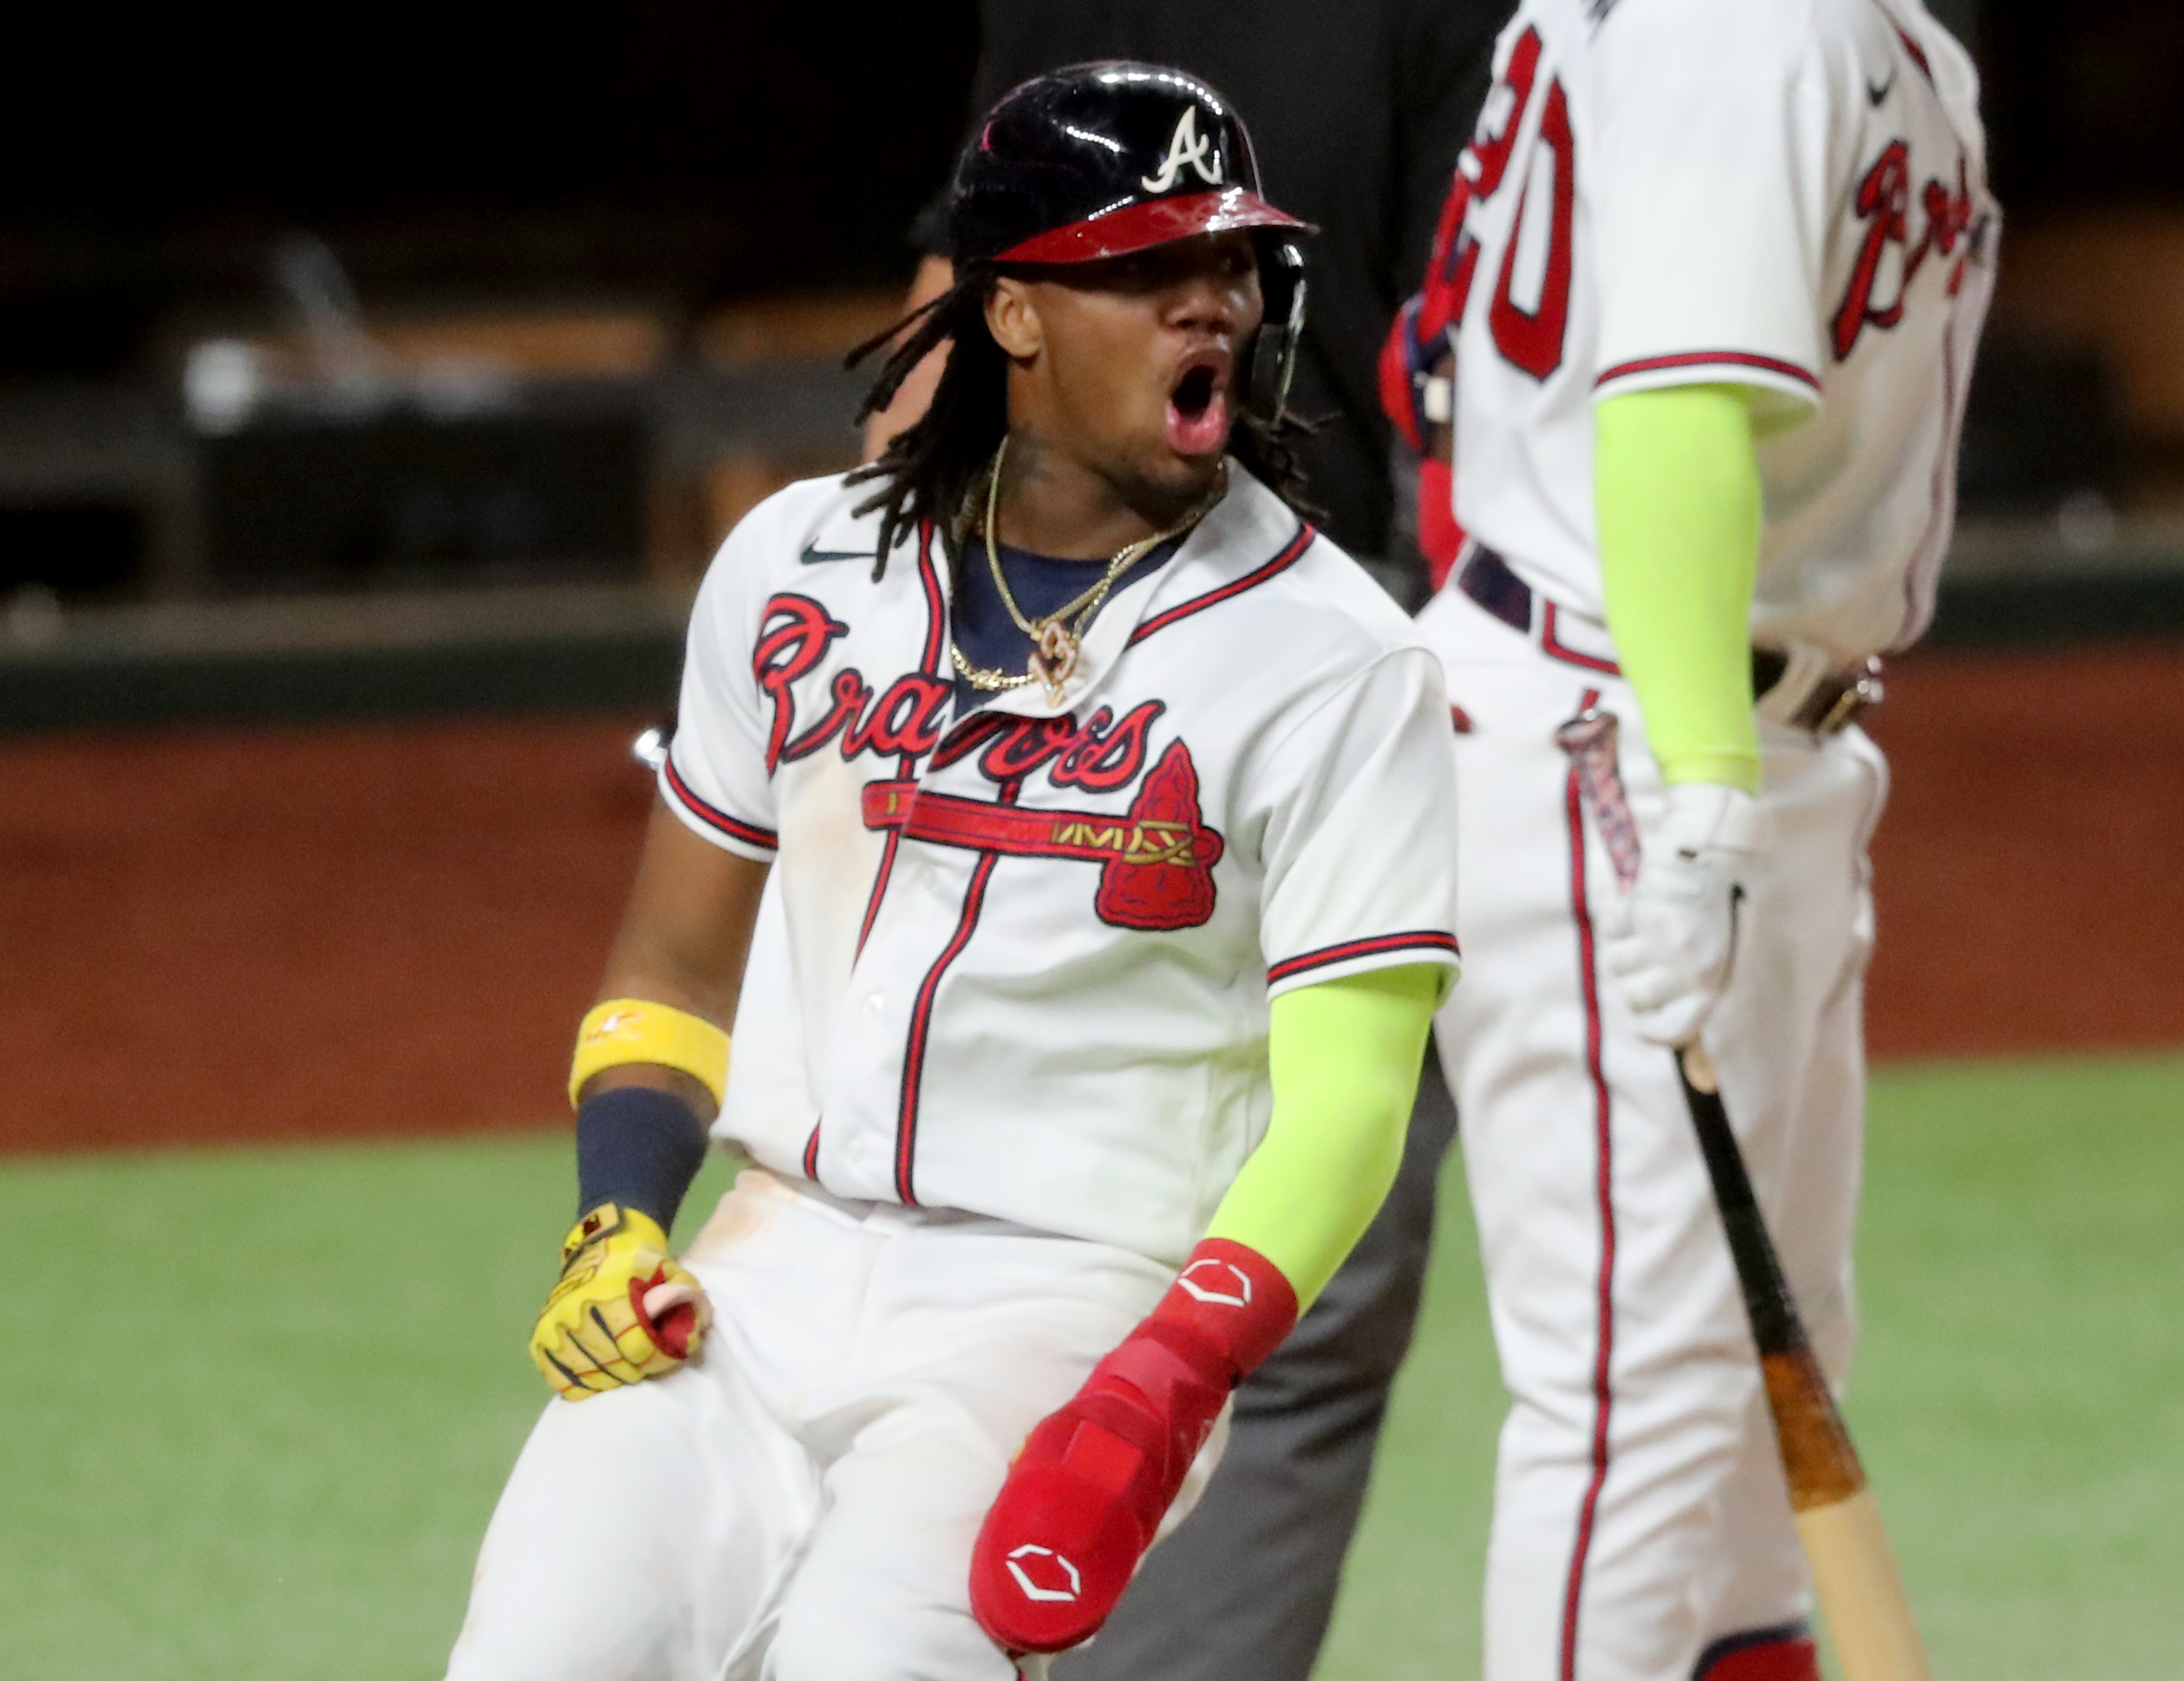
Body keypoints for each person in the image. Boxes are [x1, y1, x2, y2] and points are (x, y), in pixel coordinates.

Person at [443, 63, 1461, 1680]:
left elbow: (1351, 1106)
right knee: (537, 1651)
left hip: (1061, 1307)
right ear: (1012, 313)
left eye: (1231, 264)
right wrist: (615, 1226)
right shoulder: (800, 570)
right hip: (759, 1270)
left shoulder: (1336, 661)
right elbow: (676, 967)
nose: (1210, 304)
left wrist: (1168, 1376)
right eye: (1146, 266)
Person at [859, 11, 1507, 1676]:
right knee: (1253, 1279)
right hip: (1233, 664)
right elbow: (1497, 357)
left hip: (1254, 665)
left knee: (1022, 1227)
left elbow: (955, 303)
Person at [1382, 2, 1997, 1677]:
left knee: (1760, 1377)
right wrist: (1703, 791)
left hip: (1697, 716)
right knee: (1644, 1398)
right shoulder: (1747, 24)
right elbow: (1669, 418)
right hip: (1636, 732)